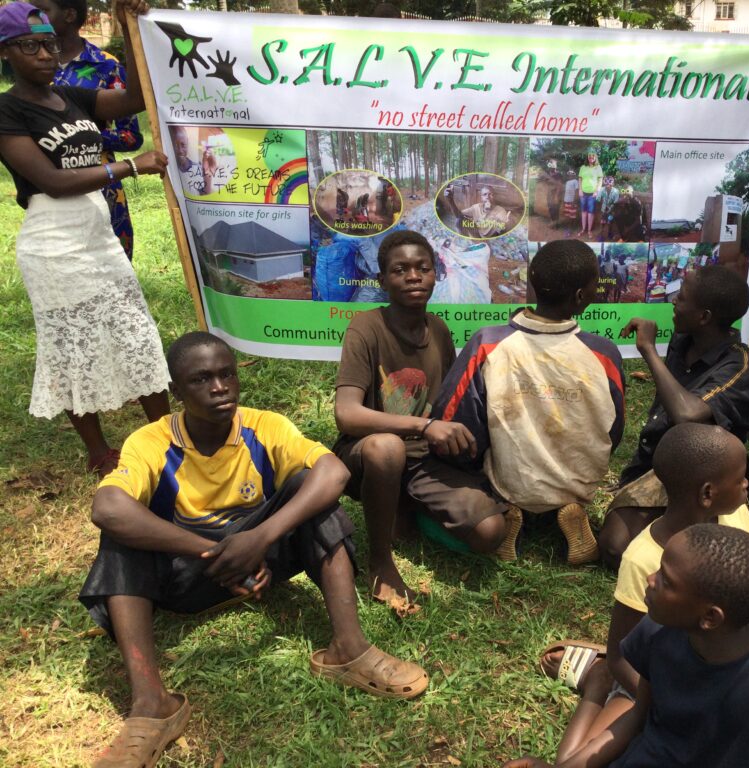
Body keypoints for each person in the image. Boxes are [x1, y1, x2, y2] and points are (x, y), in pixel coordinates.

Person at [80, 332, 428, 767]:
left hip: (262, 560)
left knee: (312, 491)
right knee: (121, 530)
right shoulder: (150, 441)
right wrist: (216, 553)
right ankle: (153, 703)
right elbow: (107, 507)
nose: (220, 387)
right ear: (175, 391)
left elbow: (334, 472)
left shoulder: (265, 426)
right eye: (201, 379)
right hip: (188, 575)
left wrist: (258, 540)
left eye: (226, 374)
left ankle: (348, 649)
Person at [0, 0, 170, 477]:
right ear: (6, 53)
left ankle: (165, 432)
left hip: (99, 235)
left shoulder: (71, 96)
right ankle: (99, 450)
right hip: (53, 243)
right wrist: (132, 166)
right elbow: (51, 181)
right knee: (71, 344)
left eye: (49, 43)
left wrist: (127, 26)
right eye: (29, 46)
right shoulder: (7, 109)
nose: (44, 54)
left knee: (135, 332)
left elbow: (135, 98)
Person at [502, 524, 749, 768]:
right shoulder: (657, 631)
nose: (650, 580)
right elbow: (636, 718)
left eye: (666, 580)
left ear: (710, 618)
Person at [333, 230, 508, 611]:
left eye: (422, 268)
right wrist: (424, 427)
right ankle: (380, 561)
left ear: (436, 274)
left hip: (424, 460)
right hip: (371, 455)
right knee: (387, 446)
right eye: (400, 270)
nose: (413, 276)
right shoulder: (366, 327)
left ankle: (409, 507)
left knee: (490, 532)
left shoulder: (439, 330)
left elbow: (448, 403)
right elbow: (347, 414)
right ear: (382, 280)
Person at [540, 424, 749, 734]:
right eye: (740, 479)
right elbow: (620, 657)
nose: (747, 485)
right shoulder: (643, 560)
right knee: (597, 752)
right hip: (653, 677)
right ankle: (597, 683)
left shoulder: (737, 520)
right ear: (708, 493)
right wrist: (665, 701)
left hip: (714, 667)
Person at [433, 239, 624, 565]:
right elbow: (615, 429)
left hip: (510, 480)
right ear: (581, 297)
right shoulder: (603, 353)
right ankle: (570, 504)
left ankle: (509, 507)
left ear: (532, 285)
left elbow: (454, 417)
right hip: (580, 479)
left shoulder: (489, 343)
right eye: (595, 287)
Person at [599, 265, 749, 569]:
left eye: (682, 298)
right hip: (659, 467)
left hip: (709, 478)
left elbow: (688, 415)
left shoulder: (739, 365)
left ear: (704, 317)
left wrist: (648, 350)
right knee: (613, 548)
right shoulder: (683, 340)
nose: (673, 301)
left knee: (696, 559)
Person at [34, 0, 143, 261]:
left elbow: (131, 136)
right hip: (48, 187)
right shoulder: (34, 68)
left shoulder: (106, 66)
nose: (33, 17)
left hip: (102, 183)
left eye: (42, 10)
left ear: (70, 14)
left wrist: (83, 135)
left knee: (112, 264)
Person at [445, 183, 513, 238]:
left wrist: (505, 224)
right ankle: (465, 240)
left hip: (490, 237)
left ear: (494, 196)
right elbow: (458, 215)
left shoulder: (500, 210)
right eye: (485, 194)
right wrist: (451, 201)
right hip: (477, 232)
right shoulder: (476, 207)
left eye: (490, 194)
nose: (487, 197)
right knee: (459, 221)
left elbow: (503, 226)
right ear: (481, 197)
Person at [169, 124, 217, 196]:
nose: (180, 150)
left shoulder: (197, 169)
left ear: (187, 142)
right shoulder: (169, 168)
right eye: (175, 146)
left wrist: (207, 176)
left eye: (183, 145)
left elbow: (205, 195)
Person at [577, 151, 603, 239]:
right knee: (583, 212)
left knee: (590, 213)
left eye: (593, 156)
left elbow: (600, 180)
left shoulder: (598, 167)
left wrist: (597, 191)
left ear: (595, 157)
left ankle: (589, 231)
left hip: (592, 194)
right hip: (583, 193)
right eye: (589, 156)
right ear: (587, 157)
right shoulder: (583, 167)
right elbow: (580, 179)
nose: (591, 157)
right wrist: (580, 190)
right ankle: (583, 229)